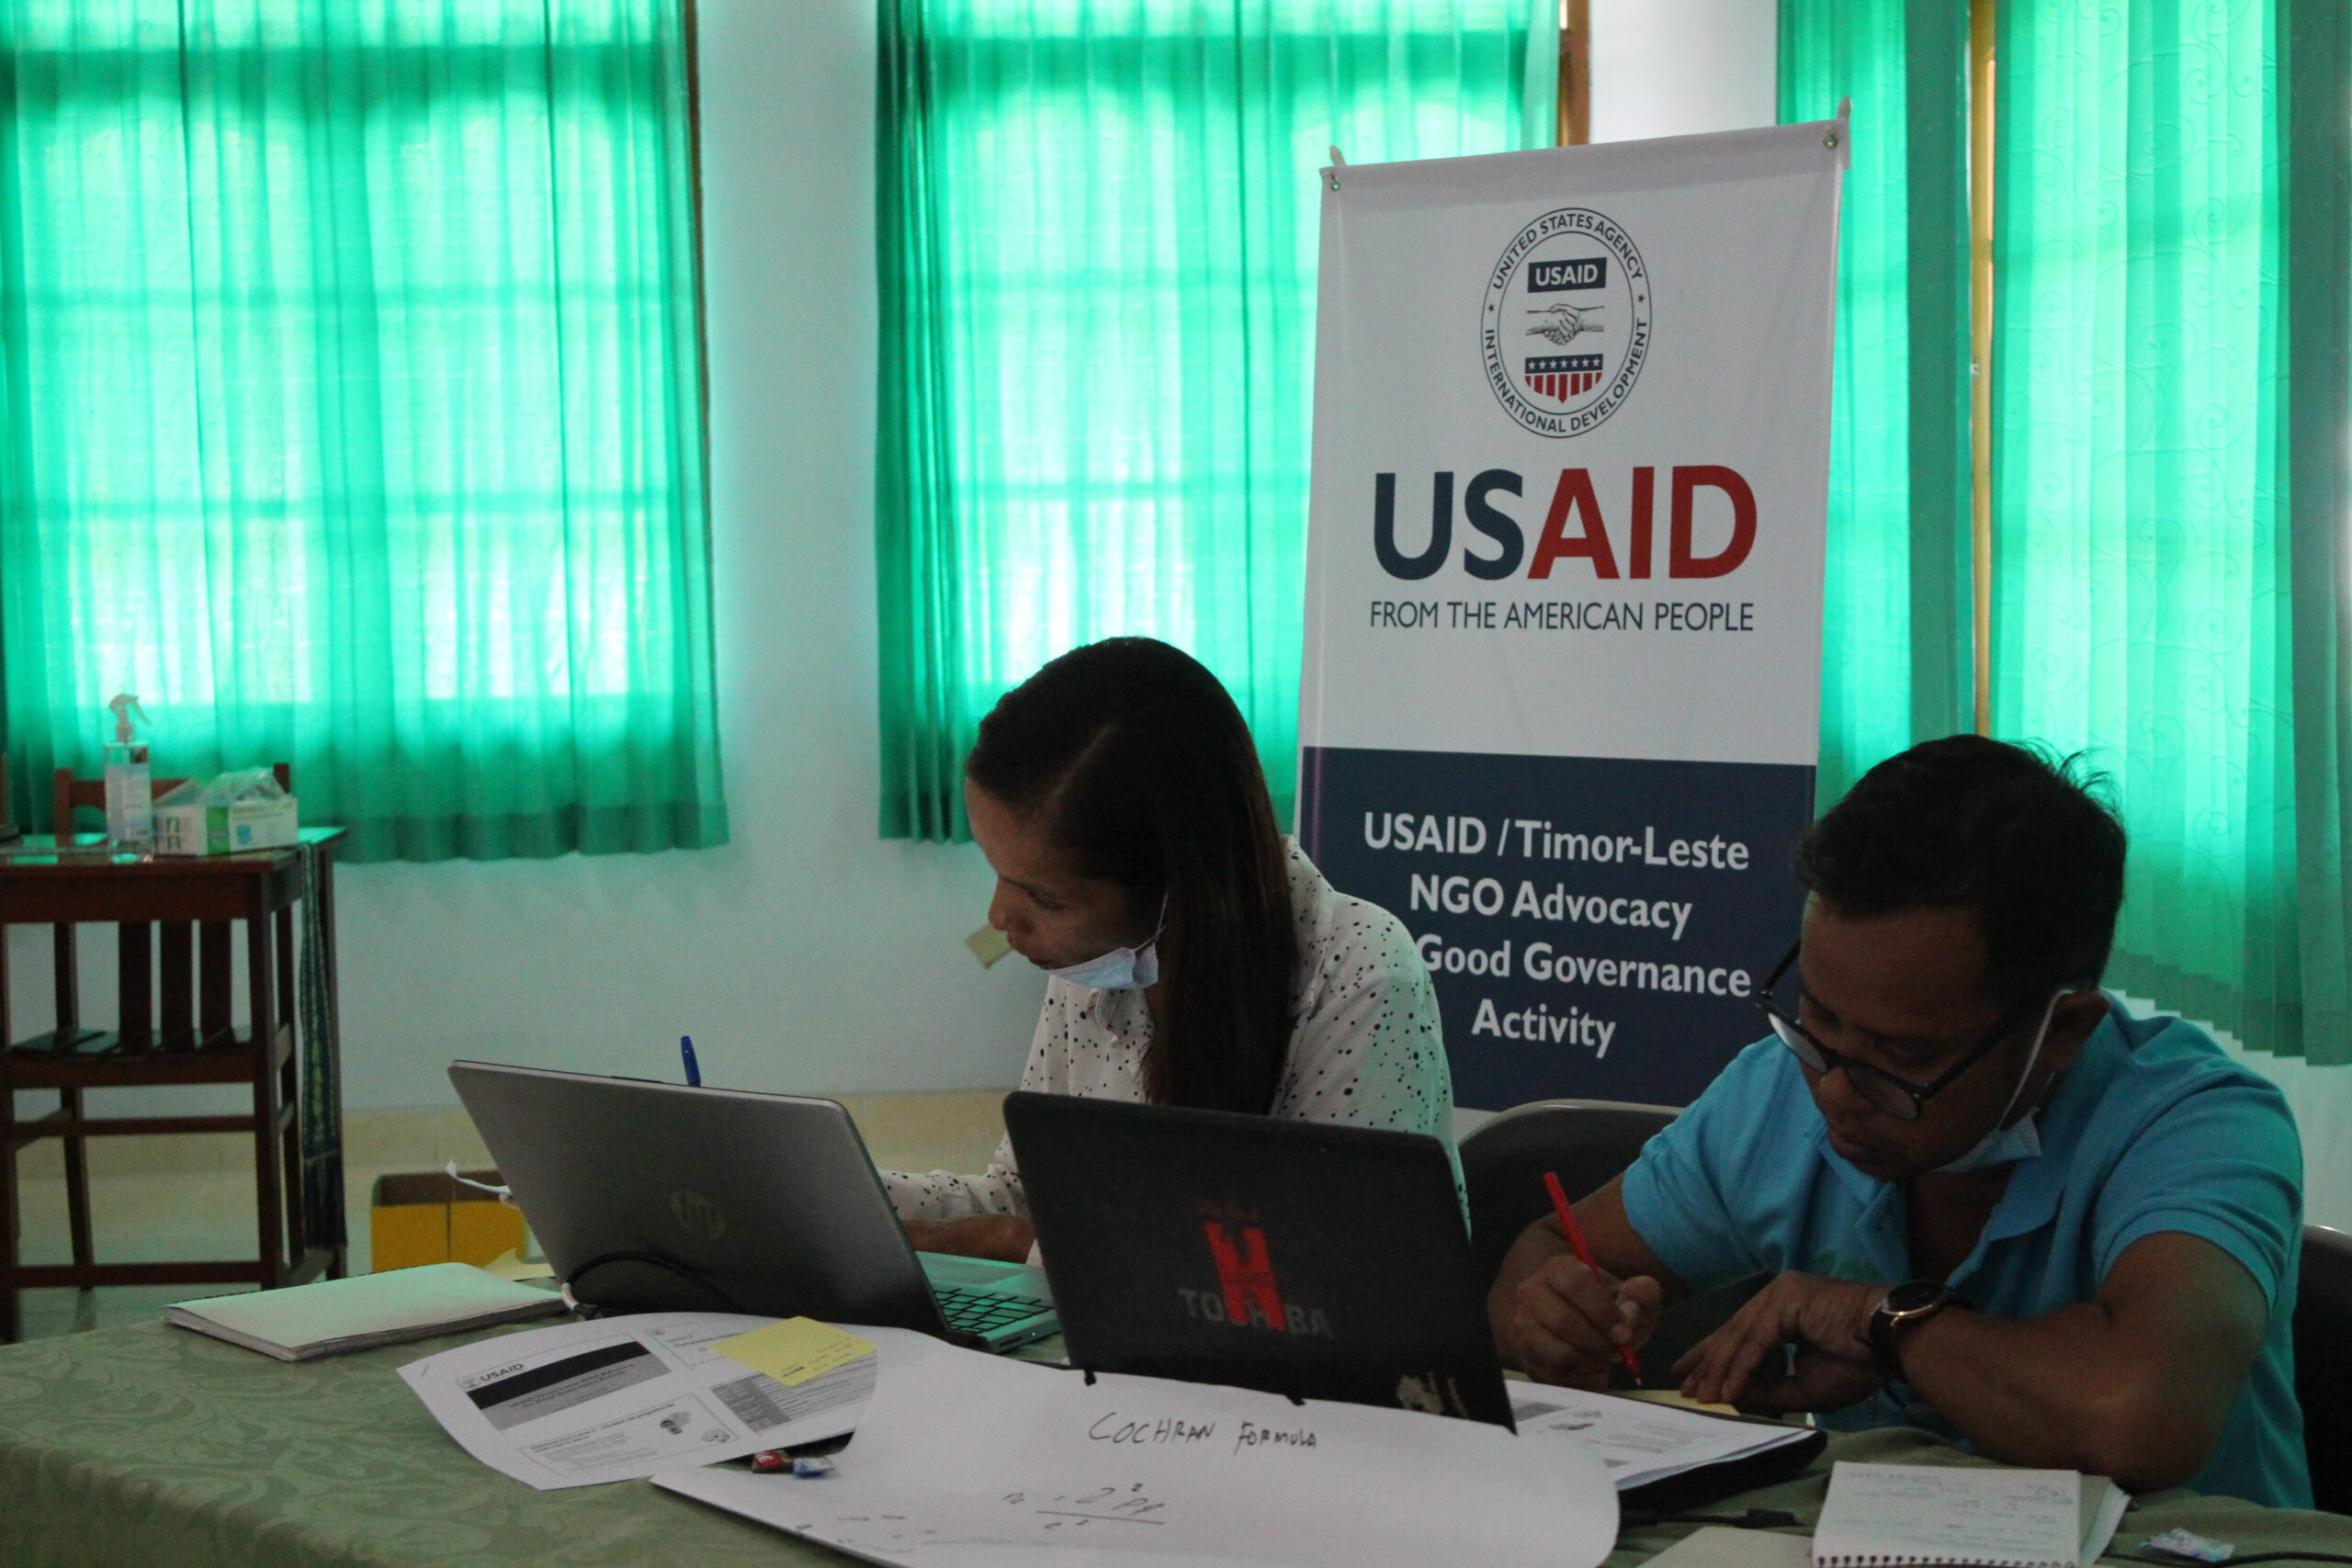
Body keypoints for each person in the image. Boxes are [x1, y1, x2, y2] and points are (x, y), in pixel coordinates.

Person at [1487, 736, 2310, 1506]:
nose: (1836, 1090)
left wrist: (1883, 1317)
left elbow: (2138, 1415)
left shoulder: (2199, 1125)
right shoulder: (1781, 1087)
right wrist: (1555, 1316)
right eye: (1815, 1017)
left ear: (2062, 1030)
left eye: (1901, 1058)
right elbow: (1549, 1252)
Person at [884, 637, 1453, 1263]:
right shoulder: (1097, 962)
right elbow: (1024, 1195)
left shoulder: (1360, 977)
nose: (998, 919)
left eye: (1044, 899)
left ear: (1180, 890)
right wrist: (861, 1196)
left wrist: (1030, 1247)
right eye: (996, 873)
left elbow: (1320, 1276)